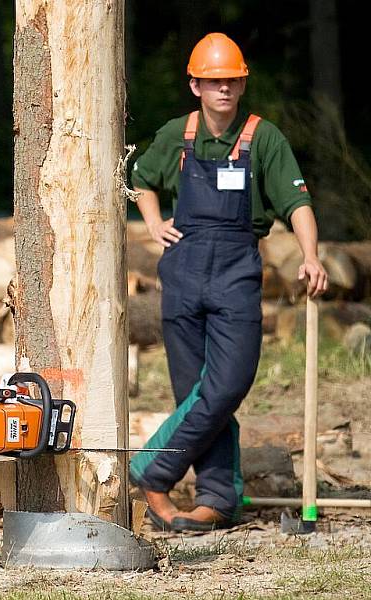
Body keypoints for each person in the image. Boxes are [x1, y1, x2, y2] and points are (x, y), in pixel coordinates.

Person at [128, 33, 328, 531]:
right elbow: (141, 179)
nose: (224, 90)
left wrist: (310, 256)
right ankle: (217, 498)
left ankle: (153, 469)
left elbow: (297, 202)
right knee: (192, 392)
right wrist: (153, 224)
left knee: (227, 384)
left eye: (232, 81)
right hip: (183, 273)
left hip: (237, 273)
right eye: (215, 82)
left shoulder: (264, 138)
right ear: (195, 84)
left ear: (242, 84)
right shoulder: (178, 134)